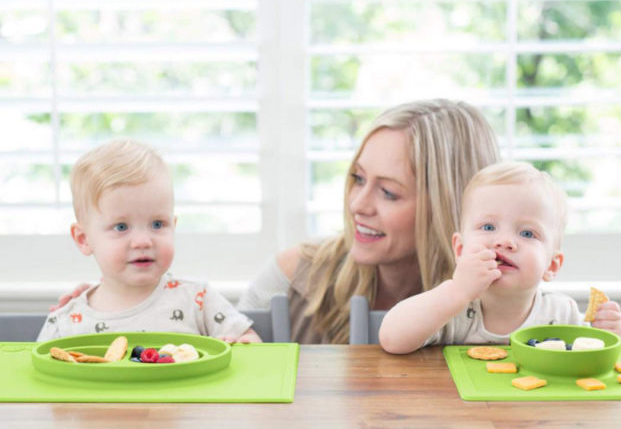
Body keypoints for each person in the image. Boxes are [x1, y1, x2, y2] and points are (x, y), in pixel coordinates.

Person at [237, 99, 500, 343]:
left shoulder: (500, 301)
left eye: (388, 192)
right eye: (358, 179)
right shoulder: (293, 278)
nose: (357, 205)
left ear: (447, 207)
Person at [378, 161, 621, 354]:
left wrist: (606, 335)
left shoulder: (561, 313)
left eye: (527, 233)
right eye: (488, 227)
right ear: (461, 250)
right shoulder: (450, 308)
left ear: (551, 265)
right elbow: (391, 339)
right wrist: (457, 291)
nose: (504, 241)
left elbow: (584, 362)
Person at [38, 139, 260, 343]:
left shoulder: (198, 300)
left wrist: (243, 345)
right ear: (84, 239)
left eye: (157, 224)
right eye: (121, 227)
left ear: (173, 225)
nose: (143, 242)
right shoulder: (66, 324)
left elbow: (253, 345)